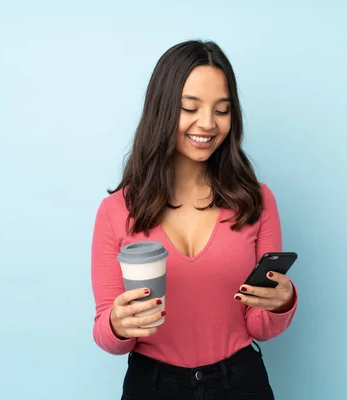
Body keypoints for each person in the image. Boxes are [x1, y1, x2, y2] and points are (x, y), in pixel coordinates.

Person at [90, 40, 298, 400]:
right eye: (190, 107)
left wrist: (282, 302)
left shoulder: (256, 200)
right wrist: (117, 325)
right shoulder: (116, 211)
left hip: (240, 382)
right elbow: (108, 336)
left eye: (222, 110)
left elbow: (259, 326)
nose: (208, 124)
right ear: (163, 109)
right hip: (151, 386)